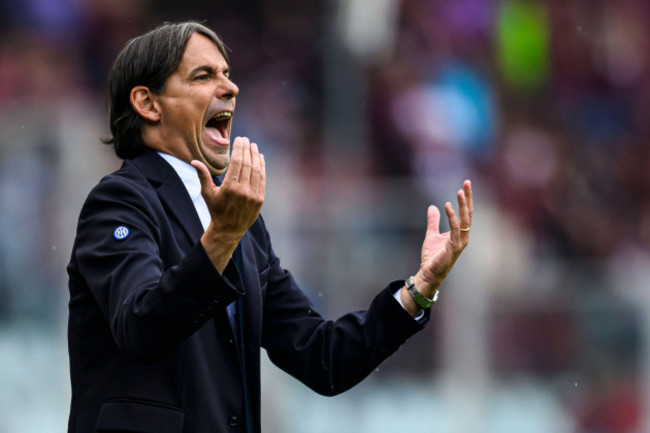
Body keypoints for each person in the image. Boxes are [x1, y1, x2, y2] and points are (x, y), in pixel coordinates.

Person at [66, 21, 473, 433]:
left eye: (227, 74)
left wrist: (419, 289)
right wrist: (223, 235)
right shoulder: (119, 201)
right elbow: (142, 328)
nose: (230, 88)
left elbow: (321, 358)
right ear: (148, 104)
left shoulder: (241, 224)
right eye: (204, 76)